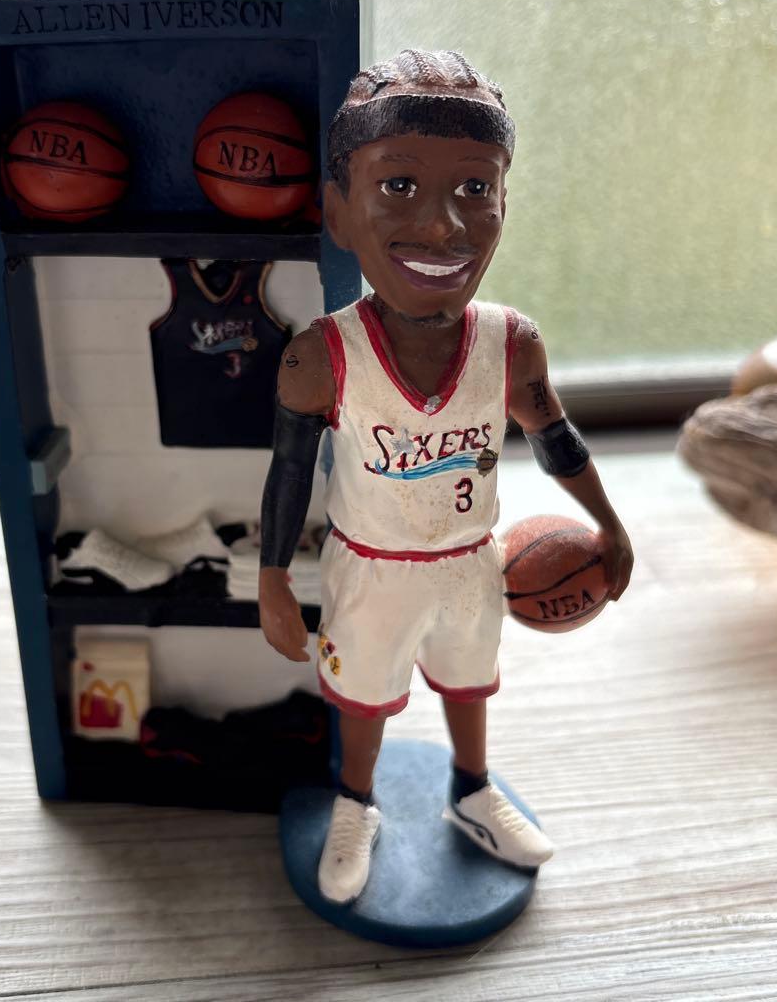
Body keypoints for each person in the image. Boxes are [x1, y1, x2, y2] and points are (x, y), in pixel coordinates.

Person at [258, 49, 634, 904]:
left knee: (470, 683)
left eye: (475, 188)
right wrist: (272, 576)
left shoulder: (511, 342)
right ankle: (356, 803)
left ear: (504, 204)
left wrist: (611, 525)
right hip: (372, 565)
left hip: (470, 558)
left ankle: (472, 790)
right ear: (337, 212)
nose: (441, 227)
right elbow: (289, 473)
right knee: (363, 699)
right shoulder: (321, 355)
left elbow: (556, 440)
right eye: (398, 186)